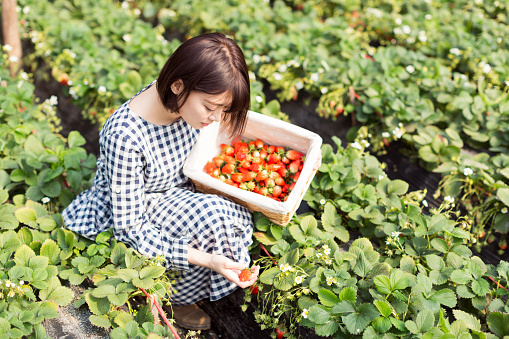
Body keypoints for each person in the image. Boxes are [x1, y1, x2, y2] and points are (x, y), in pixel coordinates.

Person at [62, 32, 259, 330]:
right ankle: (177, 297)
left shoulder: (179, 99)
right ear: (178, 85)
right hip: (134, 210)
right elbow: (130, 228)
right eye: (210, 107)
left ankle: (195, 282)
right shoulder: (125, 136)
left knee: (234, 208)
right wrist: (207, 259)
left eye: (223, 109)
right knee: (211, 218)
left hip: (175, 187)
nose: (216, 118)